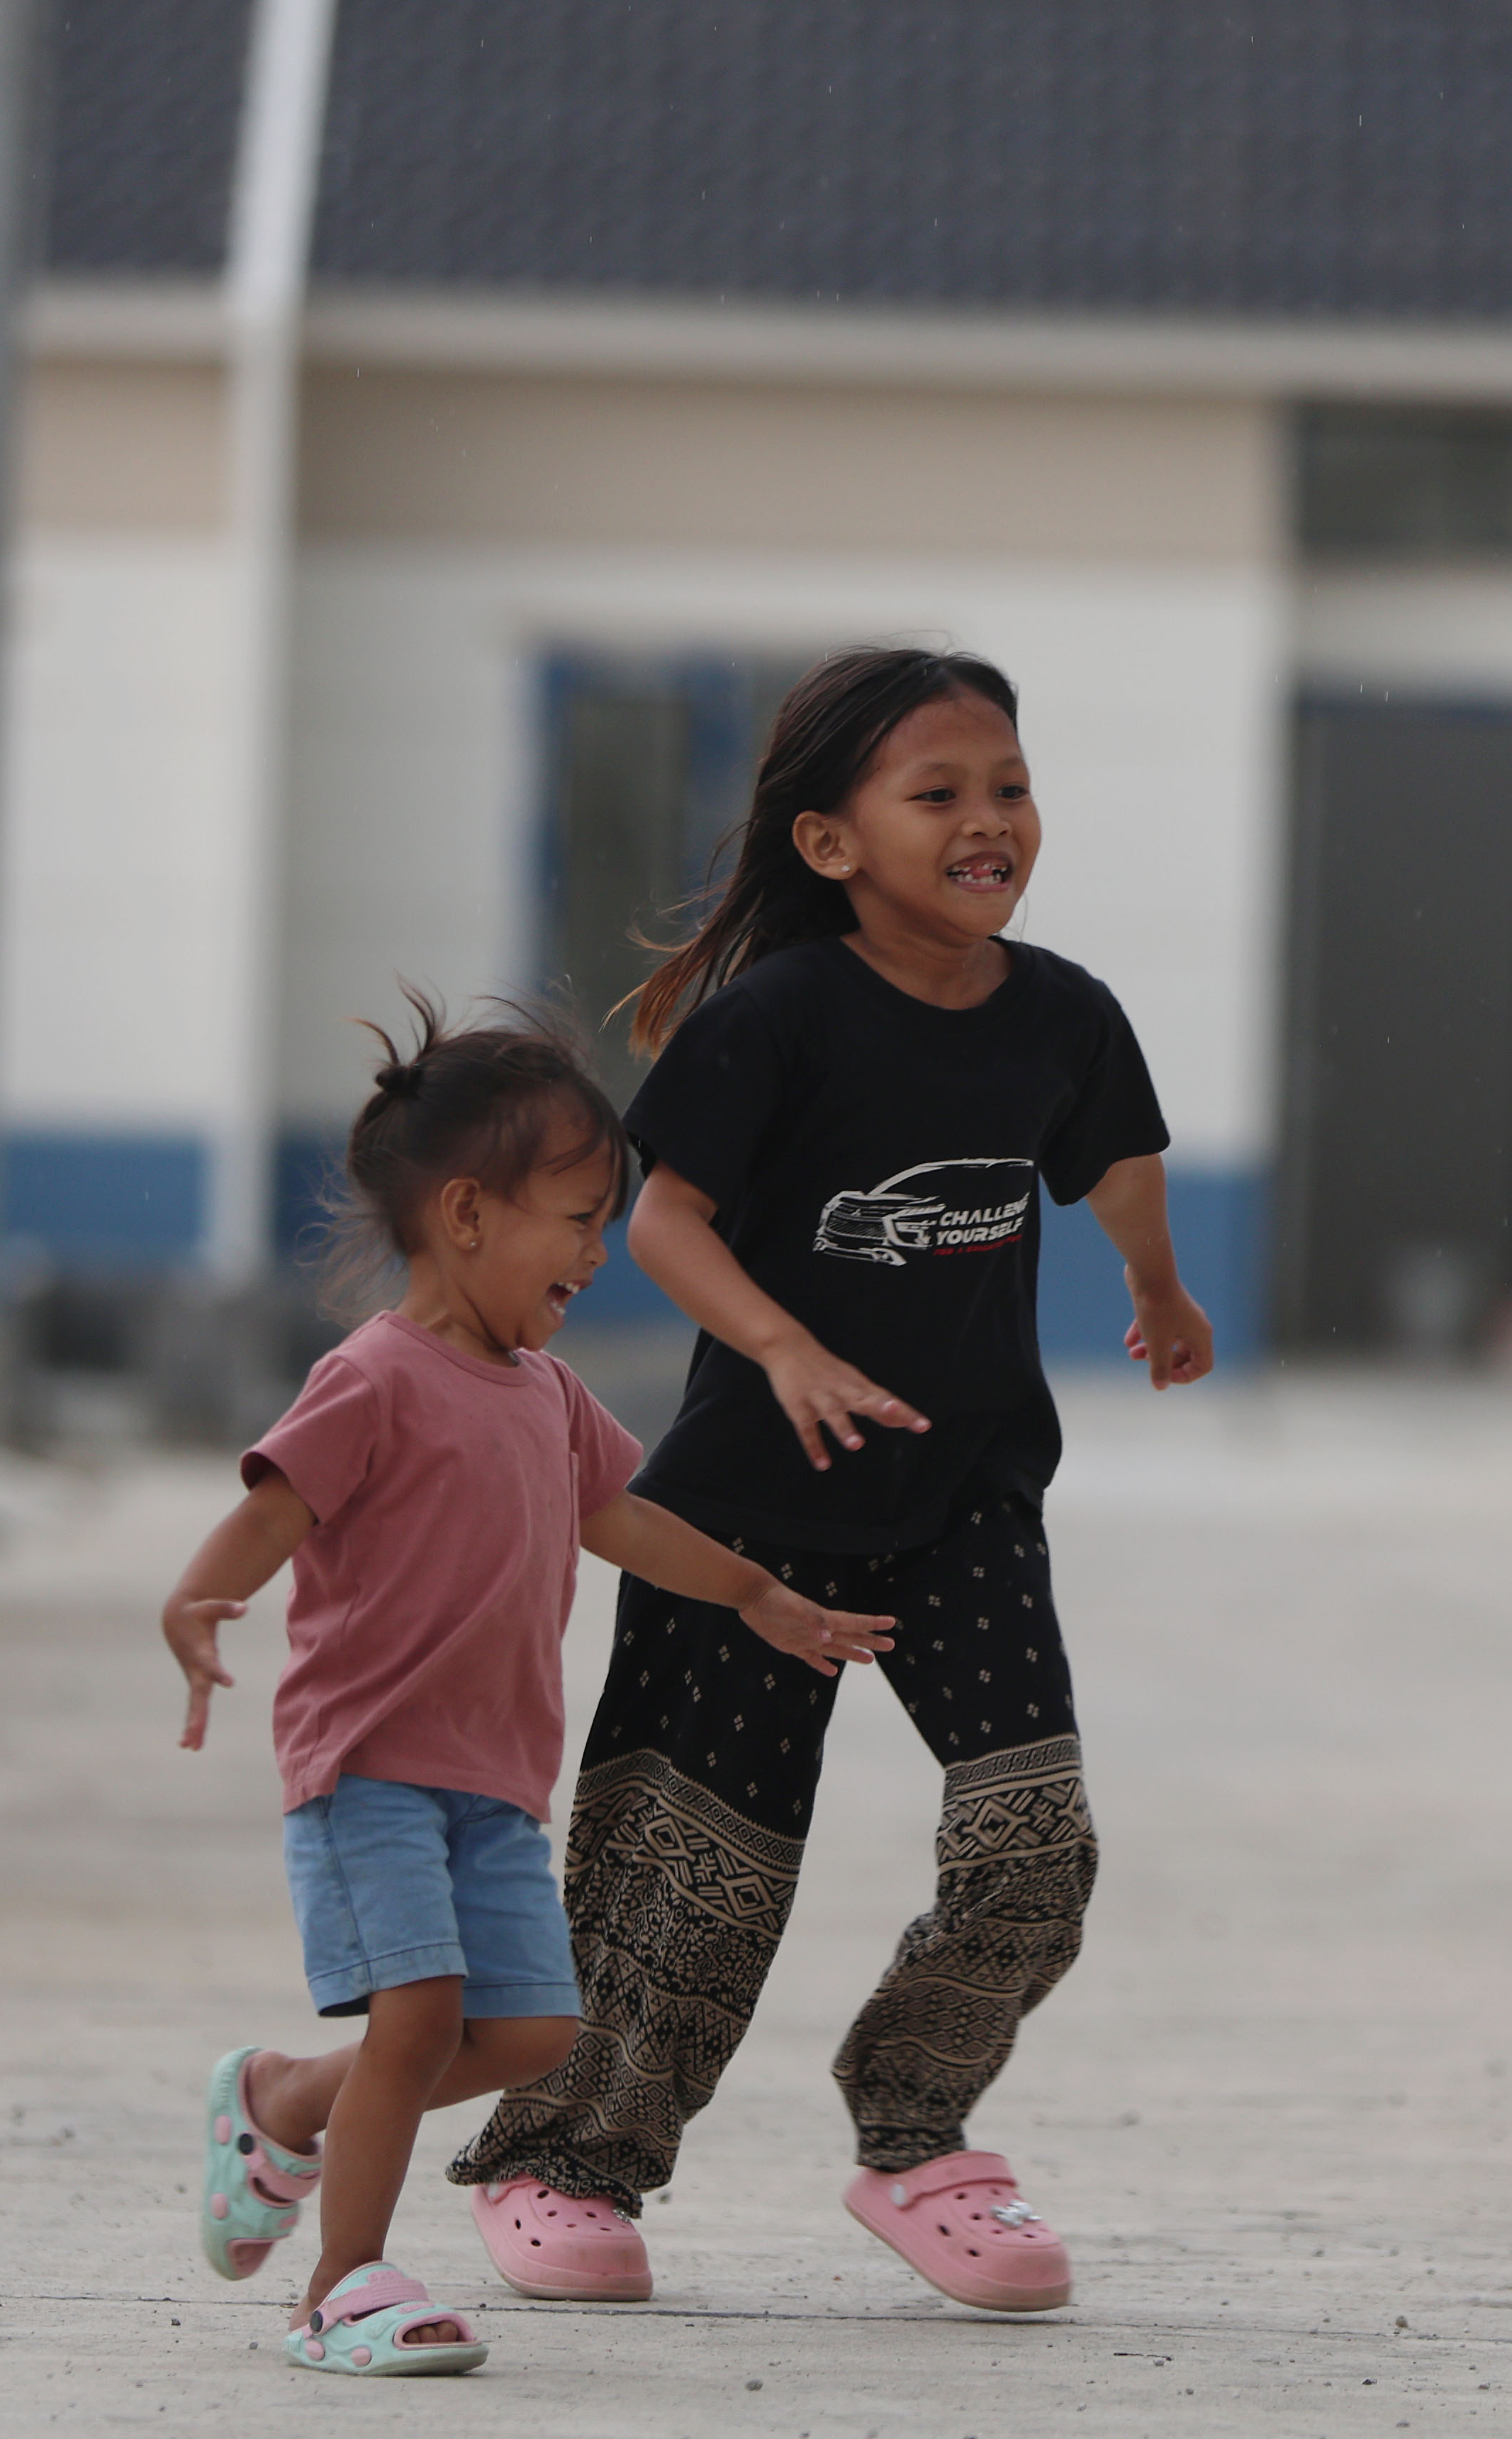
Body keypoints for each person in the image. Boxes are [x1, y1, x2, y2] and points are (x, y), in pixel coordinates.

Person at [452, 646, 1216, 2316]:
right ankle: (565, 2157)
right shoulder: (776, 1018)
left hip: (963, 1504)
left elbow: (1121, 1157)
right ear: (830, 843)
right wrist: (785, 1348)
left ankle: (918, 2135)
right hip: (744, 1511)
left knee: (1037, 1840)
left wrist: (1159, 1290)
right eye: (935, 793)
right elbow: (665, 1218)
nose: (987, 820)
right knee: (693, 1872)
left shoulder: (1064, 1012)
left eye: (1006, 785)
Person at [162, 999, 897, 2377]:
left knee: (530, 2028)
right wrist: (200, 1595)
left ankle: (280, 2105)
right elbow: (273, 1501)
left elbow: (621, 1514)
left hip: (494, 1782)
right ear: (464, 1212)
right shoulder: (373, 1374)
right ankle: (340, 2285)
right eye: (574, 1217)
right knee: (422, 2016)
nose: (596, 1249)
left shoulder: (546, 1396)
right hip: (370, 1763)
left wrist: (753, 1590)